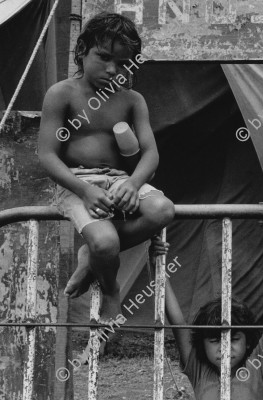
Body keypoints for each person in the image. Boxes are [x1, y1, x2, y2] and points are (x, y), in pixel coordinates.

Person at [38, 12, 174, 322]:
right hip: (77, 181)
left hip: (120, 180)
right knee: (106, 241)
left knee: (163, 210)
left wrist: (133, 184)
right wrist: (84, 190)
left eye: (123, 63)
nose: (112, 69)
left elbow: (151, 155)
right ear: (82, 49)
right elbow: (47, 155)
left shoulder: (132, 100)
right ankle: (112, 288)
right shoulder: (62, 94)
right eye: (103, 57)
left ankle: (92, 258)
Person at [149, 227, 263, 400]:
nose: (225, 347)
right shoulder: (198, 368)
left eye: (234, 339)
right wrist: (157, 265)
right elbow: (177, 321)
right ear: (202, 345)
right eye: (215, 341)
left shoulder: (258, 363)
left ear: (247, 342)